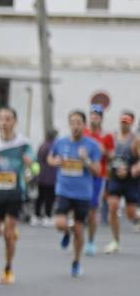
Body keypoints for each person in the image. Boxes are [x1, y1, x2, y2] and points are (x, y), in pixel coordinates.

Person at [47, 110, 104, 278]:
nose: (75, 126)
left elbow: (97, 171)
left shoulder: (92, 145)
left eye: (79, 123)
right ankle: (66, 232)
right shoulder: (61, 142)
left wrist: (86, 160)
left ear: (84, 125)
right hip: (64, 190)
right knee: (59, 223)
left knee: (79, 231)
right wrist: (55, 162)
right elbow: (50, 158)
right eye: (72, 123)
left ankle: (76, 262)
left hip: (83, 193)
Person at [0, 107, 36, 284]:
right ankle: (8, 229)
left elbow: (35, 167)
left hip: (14, 193)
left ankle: (8, 268)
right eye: (1, 119)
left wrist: (30, 164)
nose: (4, 122)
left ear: (15, 121)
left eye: (8, 119)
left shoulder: (23, 143)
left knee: (8, 234)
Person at [104, 111, 139, 252]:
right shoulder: (113, 138)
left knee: (130, 214)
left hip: (130, 181)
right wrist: (108, 168)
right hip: (115, 179)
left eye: (127, 123)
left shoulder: (135, 140)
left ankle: (137, 218)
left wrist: (132, 169)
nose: (124, 125)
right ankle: (115, 241)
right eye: (122, 122)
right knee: (112, 207)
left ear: (131, 124)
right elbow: (107, 156)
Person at [84, 104, 113, 257]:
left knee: (92, 211)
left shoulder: (106, 137)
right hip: (81, 175)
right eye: (92, 116)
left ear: (101, 119)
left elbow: (112, 157)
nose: (94, 118)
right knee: (75, 207)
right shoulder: (83, 133)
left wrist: (105, 152)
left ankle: (90, 242)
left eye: (97, 116)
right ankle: (72, 231)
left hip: (97, 177)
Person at [34, 130, 58, 224]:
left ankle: (36, 216)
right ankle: (48, 216)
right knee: (49, 198)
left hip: (40, 175)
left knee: (40, 197)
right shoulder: (53, 146)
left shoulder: (42, 145)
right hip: (50, 176)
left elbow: (37, 158)